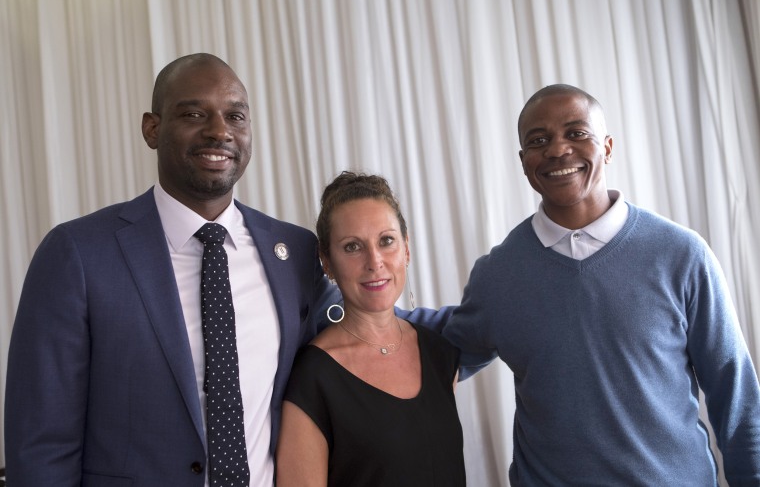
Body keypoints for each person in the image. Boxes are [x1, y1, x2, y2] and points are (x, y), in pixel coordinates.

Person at [3, 54, 447, 487]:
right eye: (194, 113)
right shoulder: (77, 254)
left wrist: (467, 330)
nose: (219, 131)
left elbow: (363, 323)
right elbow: (41, 442)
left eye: (236, 117)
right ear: (152, 128)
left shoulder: (292, 252)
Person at [443, 84, 760, 485]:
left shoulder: (681, 254)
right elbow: (439, 355)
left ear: (607, 147)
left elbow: (736, 394)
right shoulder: (497, 274)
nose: (558, 150)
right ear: (524, 163)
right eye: (539, 140)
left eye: (576, 133)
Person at [276, 171, 465, 487]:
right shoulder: (311, 377)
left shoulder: (440, 353)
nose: (374, 261)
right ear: (326, 261)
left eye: (386, 240)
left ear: (406, 248)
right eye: (352, 247)